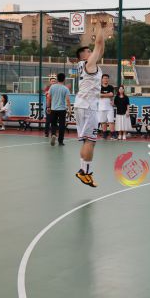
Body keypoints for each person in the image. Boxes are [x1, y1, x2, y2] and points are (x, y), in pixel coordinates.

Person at [73, 27, 105, 187]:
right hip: (88, 106)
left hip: (81, 104)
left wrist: (102, 36)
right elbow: (98, 45)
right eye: (88, 51)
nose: (91, 52)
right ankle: (85, 173)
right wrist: (102, 28)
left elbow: (100, 49)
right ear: (83, 56)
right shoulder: (89, 64)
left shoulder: (85, 65)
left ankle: (83, 170)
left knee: (87, 140)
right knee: (91, 141)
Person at [46, 73, 71, 146]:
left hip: (53, 109)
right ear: (64, 79)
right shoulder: (65, 88)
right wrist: (69, 109)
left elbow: (48, 97)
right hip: (62, 110)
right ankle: (60, 141)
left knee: (53, 124)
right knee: (62, 125)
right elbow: (67, 100)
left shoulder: (52, 87)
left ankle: (53, 134)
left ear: (57, 79)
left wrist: (48, 107)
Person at [98, 74, 116, 140]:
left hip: (109, 107)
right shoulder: (99, 87)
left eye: (107, 78)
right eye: (104, 78)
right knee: (103, 122)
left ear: (108, 79)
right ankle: (105, 134)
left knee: (111, 121)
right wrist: (108, 95)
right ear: (102, 79)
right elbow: (99, 95)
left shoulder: (111, 87)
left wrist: (103, 95)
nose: (105, 79)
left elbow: (112, 94)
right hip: (101, 107)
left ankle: (113, 134)